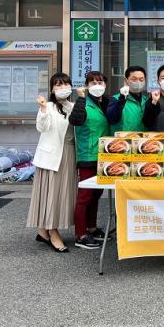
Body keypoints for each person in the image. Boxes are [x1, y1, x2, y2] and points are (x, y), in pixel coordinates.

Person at [27, 73, 76, 253]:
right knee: (51, 195)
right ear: (52, 89)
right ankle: (52, 232)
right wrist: (42, 108)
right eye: (58, 85)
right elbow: (42, 127)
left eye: (66, 84)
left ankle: (43, 231)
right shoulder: (47, 106)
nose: (62, 88)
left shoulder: (73, 106)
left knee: (62, 194)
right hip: (51, 157)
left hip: (69, 153)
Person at [69, 71, 109, 250]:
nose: (97, 85)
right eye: (93, 82)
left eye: (100, 82)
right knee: (84, 197)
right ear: (87, 86)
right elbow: (75, 120)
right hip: (87, 155)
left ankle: (91, 228)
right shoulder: (84, 103)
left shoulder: (104, 103)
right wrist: (81, 98)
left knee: (96, 195)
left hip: (103, 156)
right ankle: (80, 234)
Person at [107, 66, 148, 133]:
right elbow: (111, 119)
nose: (138, 82)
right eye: (134, 79)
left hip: (142, 139)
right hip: (123, 139)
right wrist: (121, 100)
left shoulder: (146, 100)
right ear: (126, 80)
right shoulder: (116, 99)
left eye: (141, 80)